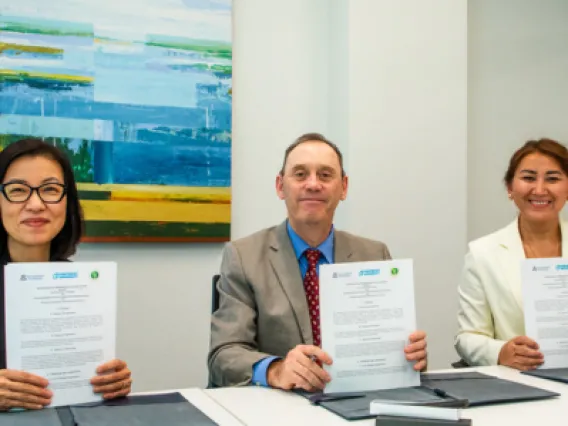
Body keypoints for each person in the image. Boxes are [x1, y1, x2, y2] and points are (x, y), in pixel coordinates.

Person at [208, 132, 427, 389]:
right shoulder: (243, 257)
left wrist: (410, 355)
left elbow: (394, 352)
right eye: (300, 174)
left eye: (325, 175)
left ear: (343, 187)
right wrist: (275, 370)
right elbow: (224, 354)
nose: (313, 184)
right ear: (280, 186)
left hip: (358, 404)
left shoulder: (374, 255)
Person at [0, 138, 132, 411]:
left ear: (67, 201)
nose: (36, 204)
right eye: (17, 190)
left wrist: (110, 382)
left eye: (50, 189)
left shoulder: (81, 284)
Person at [455, 138, 568, 370]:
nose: (539, 189)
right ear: (510, 188)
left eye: (553, 179)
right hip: (518, 386)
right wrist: (501, 352)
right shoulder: (483, 253)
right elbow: (467, 337)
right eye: (528, 178)